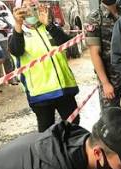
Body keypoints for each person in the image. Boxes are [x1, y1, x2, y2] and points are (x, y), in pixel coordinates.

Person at [7, 0, 82, 131]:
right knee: (47, 132)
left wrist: (49, 24)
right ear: (17, 10)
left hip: (64, 87)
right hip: (41, 93)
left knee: (74, 125)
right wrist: (18, 25)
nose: (29, 10)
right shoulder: (17, 33)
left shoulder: (50, 27)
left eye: (33, 6)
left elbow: (68, 44)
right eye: (25, 7)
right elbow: (16, 50)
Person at [86, 0, 121, 106]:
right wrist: (105, 83)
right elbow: (95, 53)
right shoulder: (94, 18)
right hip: (111, 82)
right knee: (112, 119)